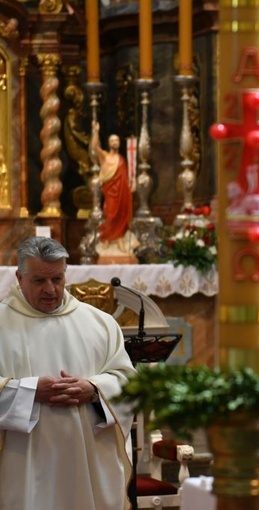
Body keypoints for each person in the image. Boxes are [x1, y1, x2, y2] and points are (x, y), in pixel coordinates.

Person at [0, 236, 136, 509]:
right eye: (39, 281)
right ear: (19, 278)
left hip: (88, 465)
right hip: (22, 467)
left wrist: (95, 390)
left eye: (58, 279)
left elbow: (128, 382)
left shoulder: (100, 324)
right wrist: (30, 391)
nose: (51, 289)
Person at [91, 121, 135, 254]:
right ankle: (107, 239)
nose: (115, 142)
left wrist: (132, 183)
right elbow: (94, 147)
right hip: (110, 192)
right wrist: (96, 131)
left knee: (121, 214)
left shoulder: (122, 158)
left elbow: (127, 176)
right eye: (112, 140)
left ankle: (120, 239)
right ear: (109, 143)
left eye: (117, 140)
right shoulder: (104, 156)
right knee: (110, 214)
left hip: (122, 192)